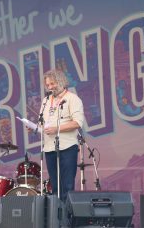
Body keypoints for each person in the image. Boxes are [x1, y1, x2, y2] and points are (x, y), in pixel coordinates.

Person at [39, 69, 84, 201]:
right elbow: (42, 122)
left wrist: (56, 129)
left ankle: (67, 219)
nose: (50, 87)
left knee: (67, 185)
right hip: (49, 148)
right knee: (55, 186)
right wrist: (33, 127)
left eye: (52, 84)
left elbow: (77, 123)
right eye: (47, 85)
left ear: (61, 81)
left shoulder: (72, 99)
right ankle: (57, 219)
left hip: (67, 147)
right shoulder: (46, 100)